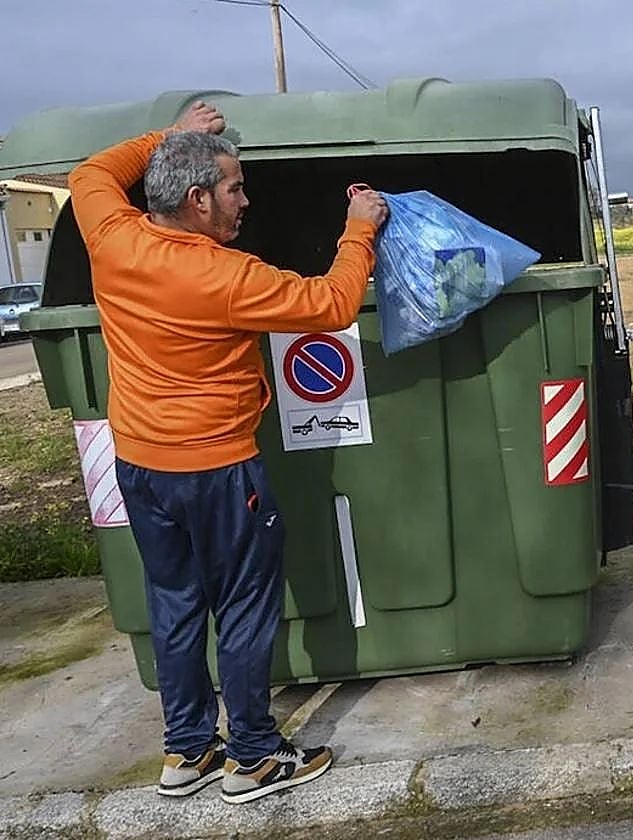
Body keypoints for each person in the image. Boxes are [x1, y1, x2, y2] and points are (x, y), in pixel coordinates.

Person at [68, 101, 388, 804]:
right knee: (244, 608)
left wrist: (173, 134)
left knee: (176, 605)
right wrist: (359, 228)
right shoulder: (225, 277)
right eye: (236, 188)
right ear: (198, 199)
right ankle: (255, 757)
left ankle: (187, 751)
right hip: (217, 471)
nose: (246, 200)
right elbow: (331, 304)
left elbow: (91, 172)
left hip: (141, 466)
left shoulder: (111, 235)